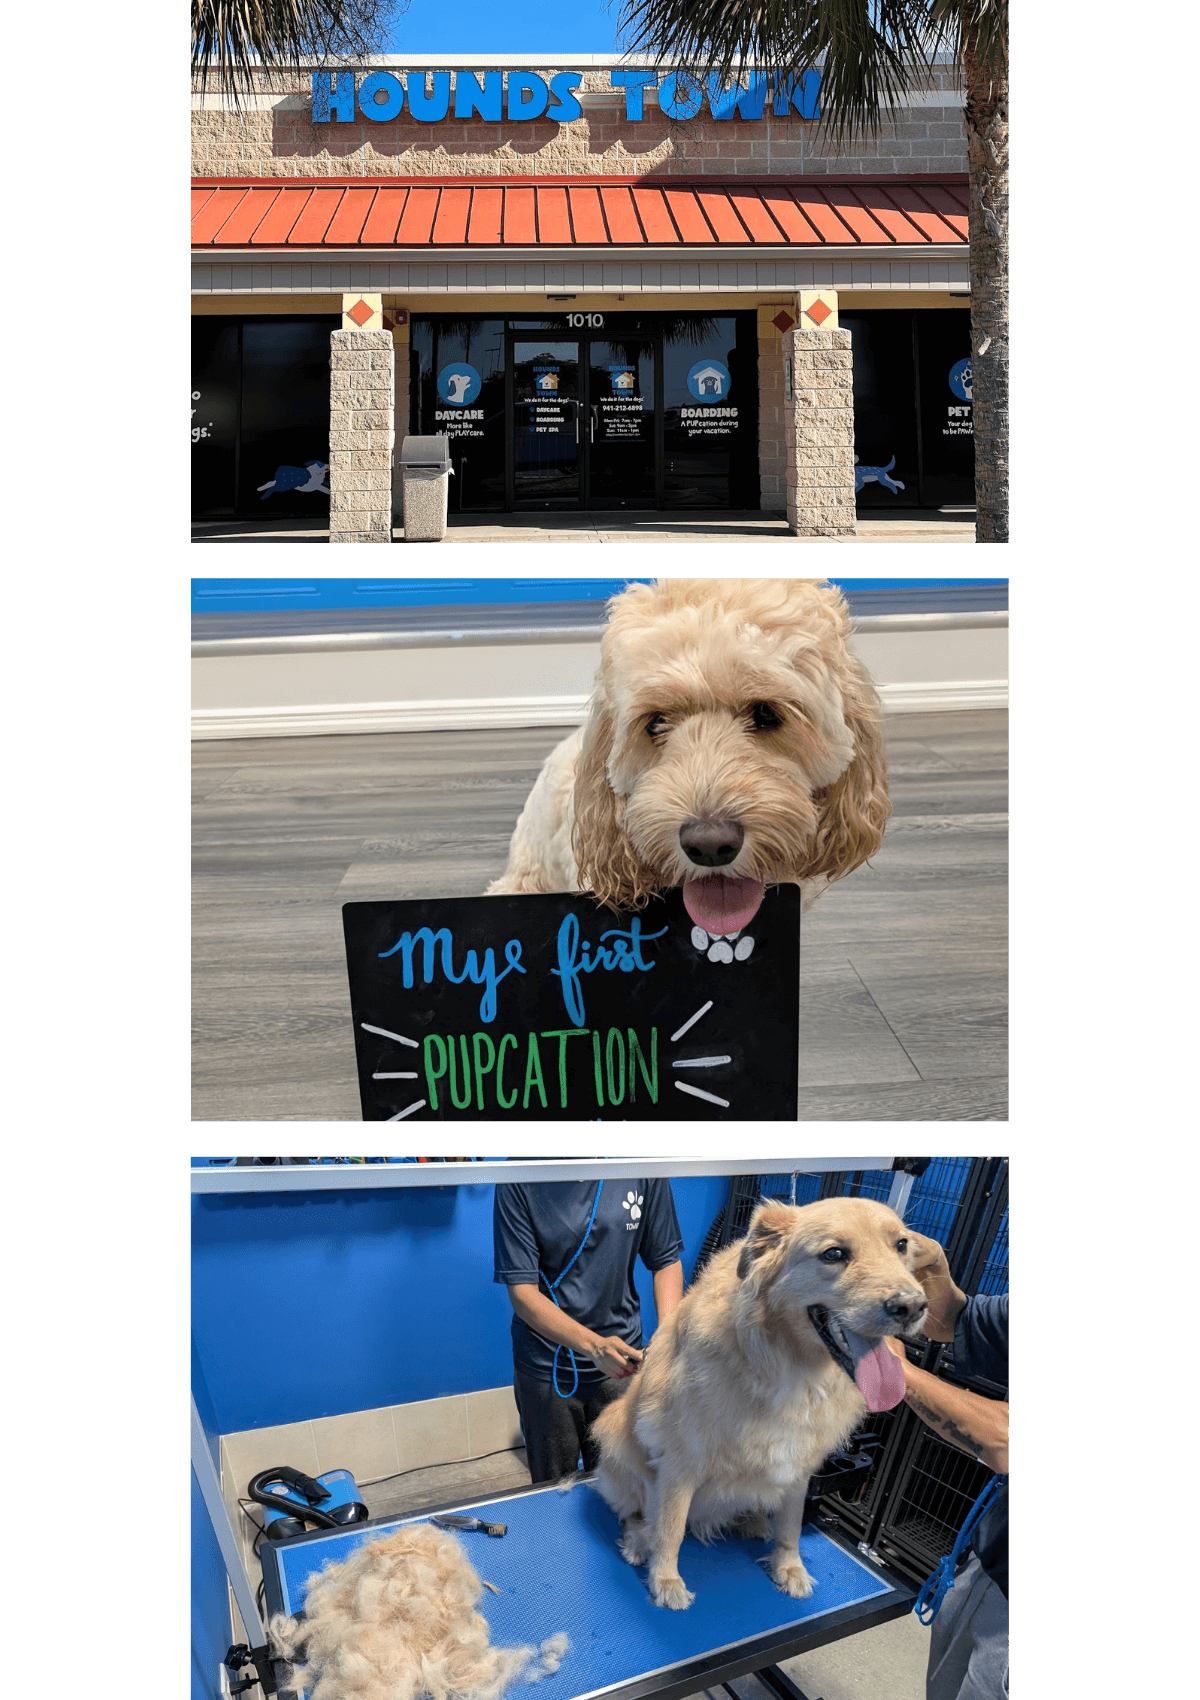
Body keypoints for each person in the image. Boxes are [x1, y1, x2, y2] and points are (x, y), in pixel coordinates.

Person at [493, 1166, 684, 1484]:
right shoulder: (519, 1177)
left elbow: (666, 1260)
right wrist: (595, 1347)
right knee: (554, 1490)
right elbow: (523, 1294)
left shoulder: (641, 1166)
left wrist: (666, 1340)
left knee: (625, 1488)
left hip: (622, 1366)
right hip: (548, 1368)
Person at [882, 1235, 1008, 1700]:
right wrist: (934, 1263)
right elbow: (954, 1320)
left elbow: (1003, 1441)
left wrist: (894, 1372)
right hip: (990, 1559)